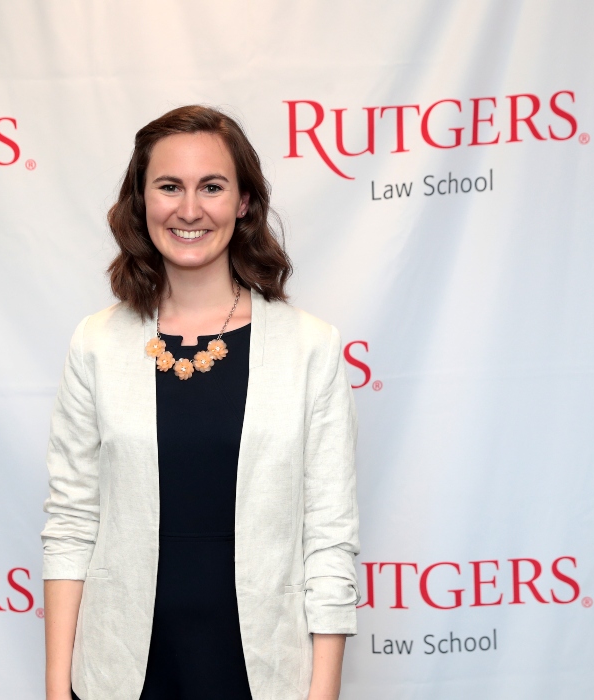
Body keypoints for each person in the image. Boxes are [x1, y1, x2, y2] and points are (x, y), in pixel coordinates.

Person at [41, 105, 360, 700]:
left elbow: (329, 536)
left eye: (211, 187)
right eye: (169, 187)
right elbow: (71, 523)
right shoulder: (96, 343)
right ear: (141, 200)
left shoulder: (310, 347)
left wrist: (323, 692)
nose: (189, 210)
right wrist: (59, 689)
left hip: (263, 674)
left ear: (243, 203)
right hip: (122, 673)